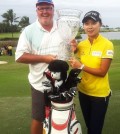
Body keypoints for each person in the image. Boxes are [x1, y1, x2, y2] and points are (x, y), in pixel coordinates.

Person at [15, 0, 64, 134]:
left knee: (59, 117)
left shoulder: (62, 28)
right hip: (39, 85)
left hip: (60, 84)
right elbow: (19, 56)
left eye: (48, 8)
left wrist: (74, 48)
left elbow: (69, 50)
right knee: (39, 118)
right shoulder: (29, 31)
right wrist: (44, 58)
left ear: (53, 9)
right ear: (36, 11)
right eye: (41, 8)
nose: (44, 11)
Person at [69, 11, 114, 134]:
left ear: (100, 24)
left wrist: (81, 66)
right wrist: (72, 48)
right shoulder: (82, 45)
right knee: (89, 125)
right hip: (84, 91)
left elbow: (102, 72)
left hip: (99, 95)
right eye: (86, 23)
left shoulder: (107, 45)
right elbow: (73, 54)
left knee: (95, 129)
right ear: (83, 26)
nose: (90, 26)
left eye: (93, 23)